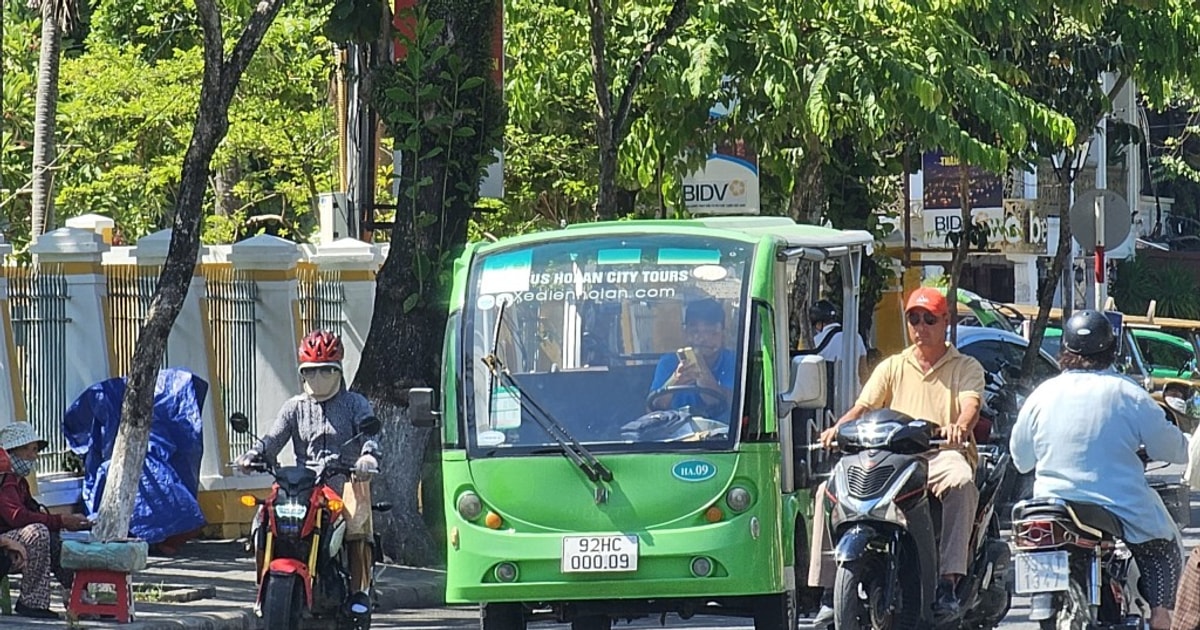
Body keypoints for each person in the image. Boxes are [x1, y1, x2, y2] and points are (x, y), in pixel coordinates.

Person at [808, 287, 984, 625]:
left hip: (938, 455)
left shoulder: (965, 366)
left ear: (946, 321)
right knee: (826, 491)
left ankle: (948, 582)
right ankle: (828, 591)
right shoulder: (892, 366)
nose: (920, 326)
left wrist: (958, 428)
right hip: (892, 459)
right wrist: (836, 430)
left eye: (929, 319)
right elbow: (862, 408)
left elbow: (970, 406)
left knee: (961, 482)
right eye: (913, 319)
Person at [1012, 310, 1187, 630]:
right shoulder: (1129, 393)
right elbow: (1171, 448)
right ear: (1112, 349)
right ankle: (1162, 618)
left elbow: (1021, 458)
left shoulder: (1042, 395)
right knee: (1162, 545)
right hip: (1118, 504)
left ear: (1064, 349)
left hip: (1051, 504)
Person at [235, 330, 380, 596]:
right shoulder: (294, 407)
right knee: (262, 519)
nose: (318, 378)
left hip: (344, 483)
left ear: (338, 371)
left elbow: (370, 434)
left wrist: (368, 456)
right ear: (302, 374)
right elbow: (272, 439)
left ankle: (359, 595)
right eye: (311, 371)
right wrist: (253, 455)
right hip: (301, 487)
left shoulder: (354, 404)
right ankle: (262, 588)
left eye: (326, 371)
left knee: (357, 529)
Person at [0, 422, 91, 619]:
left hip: (10, 539)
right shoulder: (4, 481)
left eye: (35, 450)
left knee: (50, 535)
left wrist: (58, 520)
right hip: (4, 541)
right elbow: (16, 517)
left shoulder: (19, 483)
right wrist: (61, 520)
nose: (34, 456)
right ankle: (31, 602)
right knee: (38, 533)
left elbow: (33, 511)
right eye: (29, 450)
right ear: (12, 451)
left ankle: (76, 593)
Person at [648, 298, 735, 415]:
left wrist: (700, 367)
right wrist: (676, 380)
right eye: (695, 331)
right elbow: (652, 410)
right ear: (685, 333)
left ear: (723, 334)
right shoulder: (668, 363)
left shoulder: (735, 362)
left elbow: (723, 404)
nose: (702, 338)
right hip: (677, 431)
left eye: (711, 332)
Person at [808, 299, 870, 387]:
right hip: (855, 394)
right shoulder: (856, 337)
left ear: (819, 323)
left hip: (829, 396)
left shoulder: (816, 342)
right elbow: (863, 372)